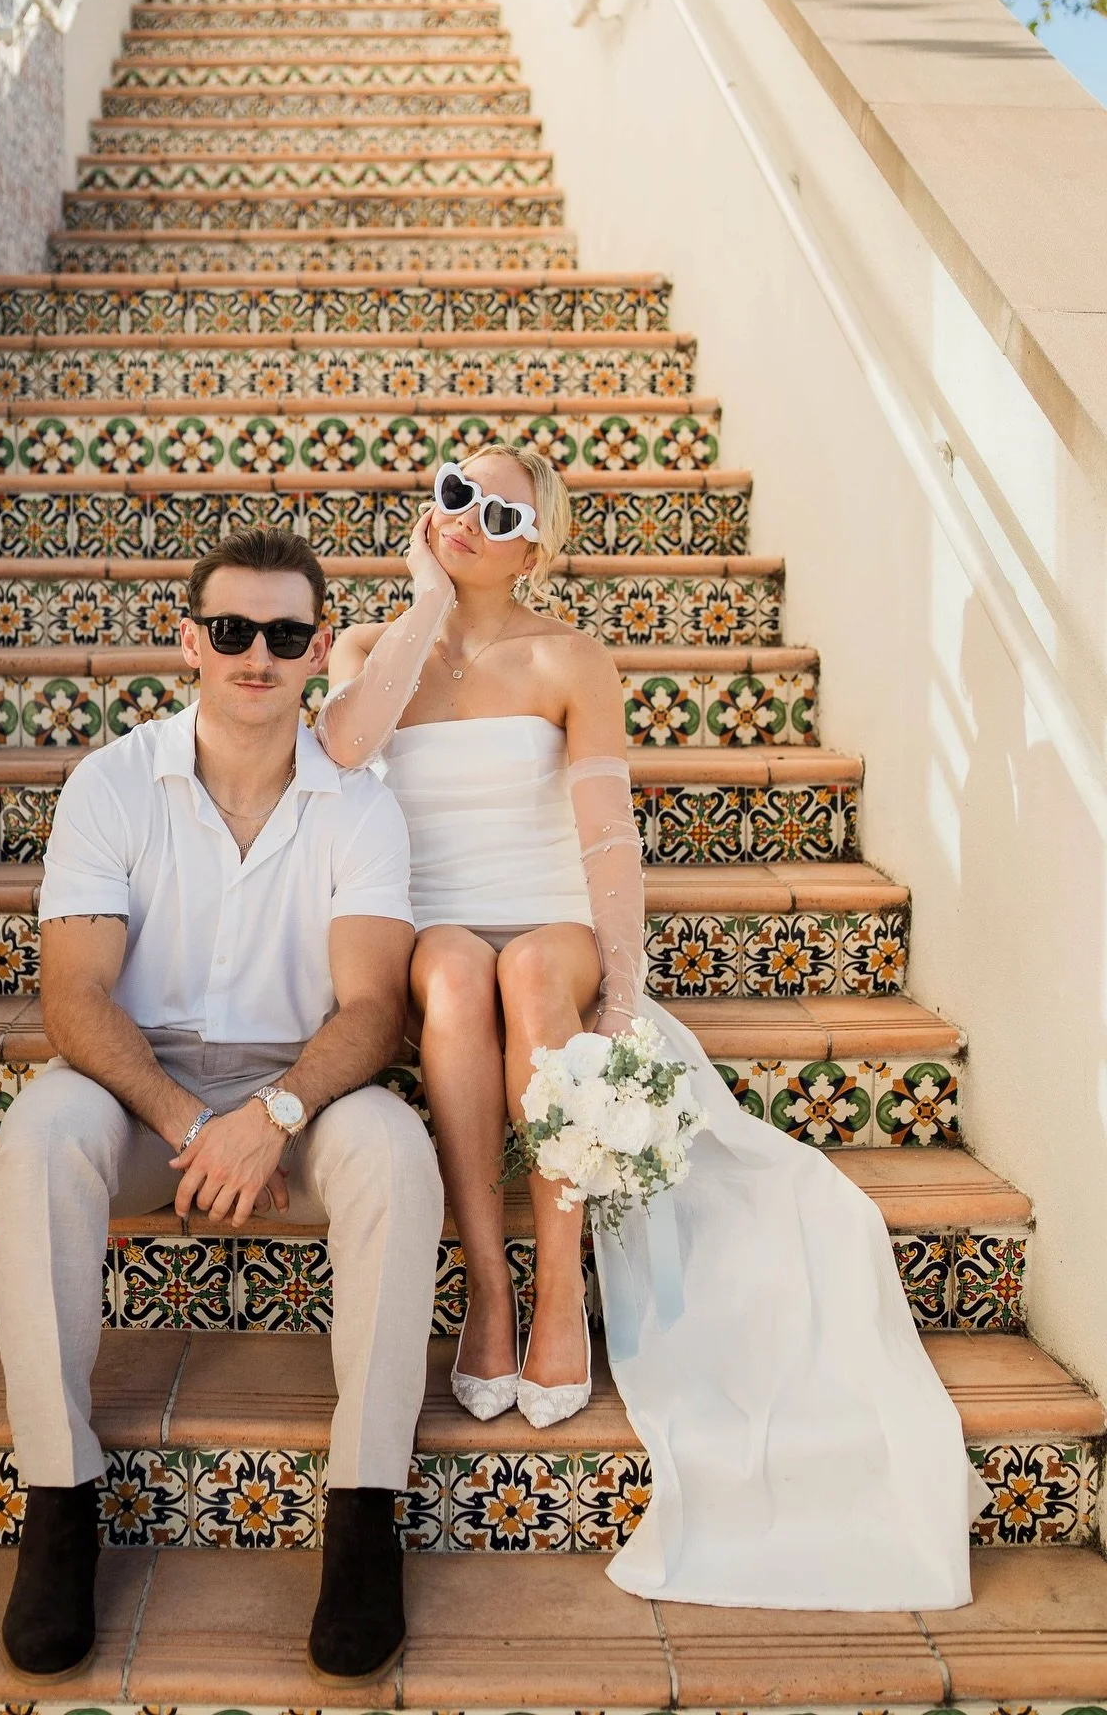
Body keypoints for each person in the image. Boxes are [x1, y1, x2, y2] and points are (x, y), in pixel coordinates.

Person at [316, 444, 986, 1609]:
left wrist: (619, 998)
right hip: (435, 930)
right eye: (453, 495)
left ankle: (563, 1292)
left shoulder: (571, 655)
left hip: (553, 920)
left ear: (542, 540)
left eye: (502, 509)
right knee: (459, 974)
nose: (470, 519)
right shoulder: (382, 646)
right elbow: (338, 749)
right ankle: (488, 1289)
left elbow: (607, 838)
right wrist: (425, 602)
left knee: (528, 972)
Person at [0, 525, 443, 1686]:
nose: (256, 654)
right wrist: (192, 1122)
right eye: (231, 629)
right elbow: (73, 999)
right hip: (142, 1085)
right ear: (188, 638)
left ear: (319, 649)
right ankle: (59, 1495)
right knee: (39, 1135)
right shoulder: (114, 782)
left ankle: (364, 1509)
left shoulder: (359, 808)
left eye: (286, 634)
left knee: (396, 1151)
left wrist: (274, 1115)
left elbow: (373, 1006)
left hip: (304, 1082)